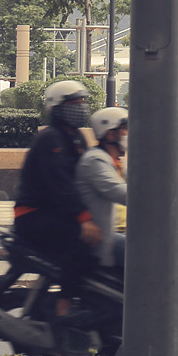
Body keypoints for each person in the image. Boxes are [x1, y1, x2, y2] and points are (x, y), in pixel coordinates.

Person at [13, 80, 99, 285]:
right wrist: (84, 217)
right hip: (33, 214)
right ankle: (65, 302)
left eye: (82, 102)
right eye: (74, 103)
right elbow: (61, 185)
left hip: (54, 211)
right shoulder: (51, 139)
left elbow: (84, 177)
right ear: (57, 108)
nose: (81, 107)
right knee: (81, 241)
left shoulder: (77, 137)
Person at [78, 106, 128, 270]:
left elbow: (141, 184)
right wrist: (167, 205)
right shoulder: (96, 160)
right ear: (110, 133)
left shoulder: (113, 161)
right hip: (98, 239)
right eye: (124, 129)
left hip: (113, 232)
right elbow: (121, 192)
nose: (128, 134)